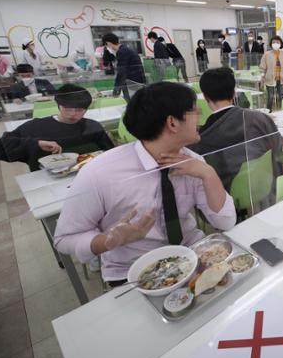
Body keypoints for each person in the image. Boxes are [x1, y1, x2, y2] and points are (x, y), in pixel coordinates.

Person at [54, 81, 236, 285]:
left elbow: (226, 223)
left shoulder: (192, 161)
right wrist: (109, 241)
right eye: (194, 110)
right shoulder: (100, 173)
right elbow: (64, 239)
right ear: (173, 123)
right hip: (133, 271)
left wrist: (209, 174)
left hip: (191, 254)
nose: (200, 114)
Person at [189, 67, 282, 193]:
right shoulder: (260, 119)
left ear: (205, 97)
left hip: (226, 198)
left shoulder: (201, 138)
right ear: (233, 93)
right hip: (264, 187)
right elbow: (277, 149)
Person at [0, 84, 114, 171]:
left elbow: (109, 154)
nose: (72, 114)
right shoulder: (35, 127)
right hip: (47, 182)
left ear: (86, 109)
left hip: (89, 175)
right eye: (67, 109)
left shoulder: (92, 126)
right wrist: (36, 143)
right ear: (58, 105)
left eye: (79, 110)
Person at [102, 33, 146, 97]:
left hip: (134, 84)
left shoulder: (122, 52)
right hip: (136, 82)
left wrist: (117, 89)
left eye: (106, 46)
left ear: (108, 43)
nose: (107, 48)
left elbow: (121, 73)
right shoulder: (124, 49)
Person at [259, 36, 283, 112]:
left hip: (281, 79)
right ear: (271, 44)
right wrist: (262, 76)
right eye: (273, 42)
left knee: (281, 96)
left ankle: (281, 111)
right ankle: (269, 112)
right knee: (271, 97)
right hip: (270, 78)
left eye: (277, 42)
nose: (275, 44)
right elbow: (263, 66)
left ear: (281, 44)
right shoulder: (267, 54)